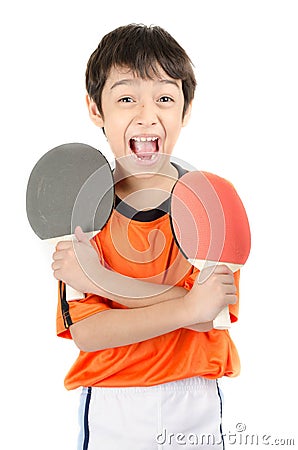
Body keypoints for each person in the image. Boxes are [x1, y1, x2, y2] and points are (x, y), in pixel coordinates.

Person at [52, 24, 240, 449]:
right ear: (95, 109)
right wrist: (188, 304)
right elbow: (90, 332)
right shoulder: (80, 209)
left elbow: (213, 313)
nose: (146, 114)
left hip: (197, 400)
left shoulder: (212, 201)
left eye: (165, 98)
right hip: (113, 404)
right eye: (125, 98)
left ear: (185, 110)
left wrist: (102, 281)